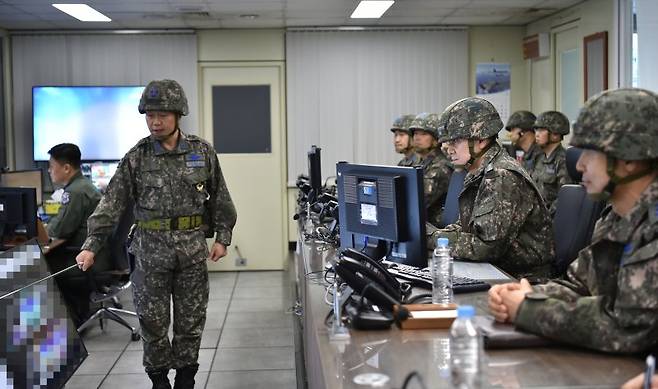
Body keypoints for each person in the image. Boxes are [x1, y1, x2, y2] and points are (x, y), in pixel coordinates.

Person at [76, 79, 237, 389]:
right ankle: (159, 380)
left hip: (191, 252)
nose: (155, 121)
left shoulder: (201, 152)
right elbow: (111, 204)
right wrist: (91, 246)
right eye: (150, 115)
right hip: (149, 253)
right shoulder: (136, 157)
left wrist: (223, 237)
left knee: (191, 321)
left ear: (178, 115)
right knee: (153, 324)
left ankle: (186, 379)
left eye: (162, 114)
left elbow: (220, 198)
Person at [488, 88, 658, 354]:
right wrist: (526, 295)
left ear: (628, 160)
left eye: (590, 153)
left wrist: (527, 308)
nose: (579, 166)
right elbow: (580, 284)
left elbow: (630, 328)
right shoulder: (615, 216)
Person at [427, 97, 554, 280]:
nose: (447, 148)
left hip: (522, 279)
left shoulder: (502, 175)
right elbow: (468, 227)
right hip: (496, 270)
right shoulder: (479, 170)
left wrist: (431, 238)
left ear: (481, 140)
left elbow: (486, 246)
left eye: (455, 140)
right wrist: (435, 235)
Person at [43, 143, 109, 327]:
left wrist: (42, 229)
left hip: (88, 259)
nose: (49, 171)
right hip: (100, 255)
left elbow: (61, 229)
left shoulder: (76, 192)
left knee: (40, 267)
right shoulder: (83, 186)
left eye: (52, 166)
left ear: (66, 168)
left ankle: (73, 318)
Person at [408, 112, 453, 226]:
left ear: (436, 138)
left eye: (423, 134)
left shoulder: (441, 166)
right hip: (418, 222)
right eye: (415, 133)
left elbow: (417, 201)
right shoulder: (418, 162)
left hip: (434, 229)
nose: (417, 137)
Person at [532, 111, 572, 215]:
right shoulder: (539, 158)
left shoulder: (563, 160)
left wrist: (545, 216)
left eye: (541, 130)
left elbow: (564, 197)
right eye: (536, 130)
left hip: (550, 219)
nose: (536, 134)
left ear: (555, 135)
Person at [505, 110, 541, 175]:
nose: (510, 134)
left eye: (513, 129)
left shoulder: (540, 155)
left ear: (523, 131)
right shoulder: (524, 155)